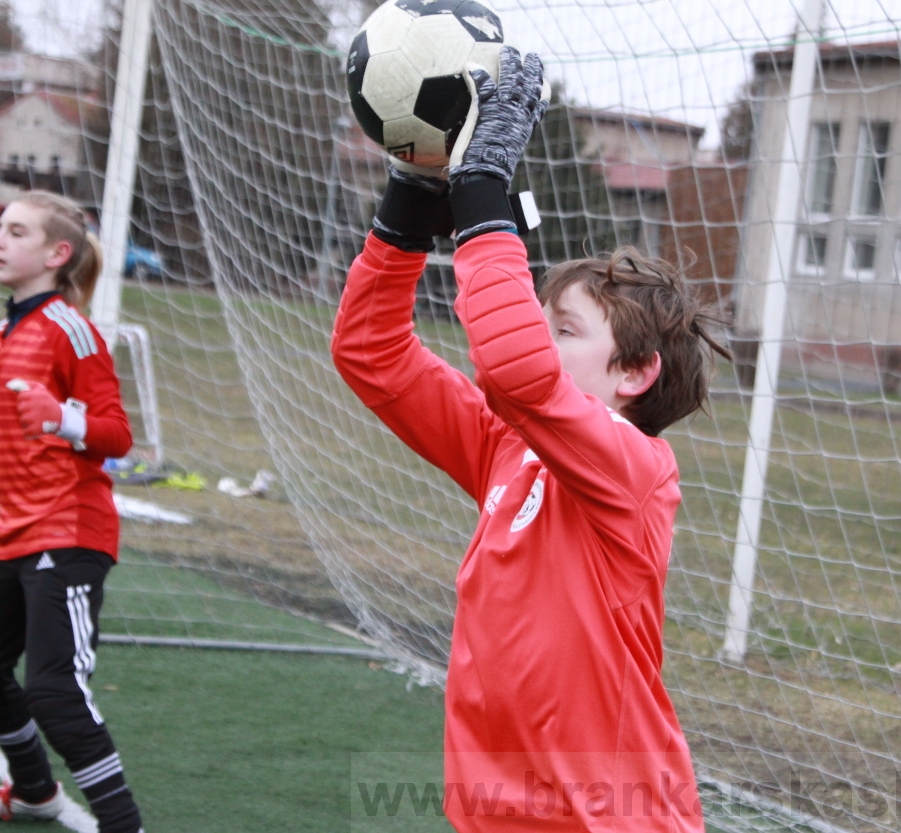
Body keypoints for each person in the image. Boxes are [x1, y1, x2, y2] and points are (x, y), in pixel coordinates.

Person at [332, 46, 729, 831]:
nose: (541, 340)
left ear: (635, 371)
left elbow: (514, 370)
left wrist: (483, 196)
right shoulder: (507, 449)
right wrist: (411, 203)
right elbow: (369, 352)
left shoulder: (638, 471)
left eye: (565, 330)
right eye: (540, 324)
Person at [0, 190, 145, 833]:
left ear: (56, 253)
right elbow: (10, 454)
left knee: (54, 692)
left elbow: (118, 436)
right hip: (20, 535)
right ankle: (35, 793)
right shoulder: (1, 335)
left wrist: (63, 417)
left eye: (16, 231)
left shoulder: (73, 330)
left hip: (70, 534)